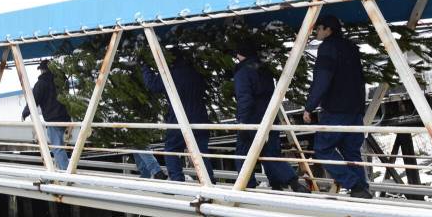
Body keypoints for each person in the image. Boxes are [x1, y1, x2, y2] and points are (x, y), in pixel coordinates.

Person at [303, 14, 372, 198]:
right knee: (351, 151)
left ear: (328, 30)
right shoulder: (350, 47)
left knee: (323, 149)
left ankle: (354, 184)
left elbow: (322, 80)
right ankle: (362, 190)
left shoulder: (327, 48)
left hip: (336, 109)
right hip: (355, 108)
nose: (316, 31)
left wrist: (310, 106)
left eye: (319, 28)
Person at [231, 40, 308, 193]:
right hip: (269, 115)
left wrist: (242, 122)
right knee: (271, 153)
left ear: (240, 54)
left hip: (252, 118)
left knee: (243, 153)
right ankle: (286, 182)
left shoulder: (242, 72)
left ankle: (246, 185)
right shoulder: (264, 69)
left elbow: (244, 98)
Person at [141, 51, 215, 183]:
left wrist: (145, 67)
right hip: (200, 118)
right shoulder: (196, 73)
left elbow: (153, 85)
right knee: (200, 153)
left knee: (172, 149)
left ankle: (177, 180)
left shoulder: (171, 74)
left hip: (179, 119)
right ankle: (208, 181)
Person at [21, 61, 71, 170]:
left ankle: (66, 173)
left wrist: (25, 112)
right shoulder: (61, 81)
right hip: (66, 117)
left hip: (53, 119)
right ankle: (60, 169)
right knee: (60, 146)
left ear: (43, 70)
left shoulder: (42, 83)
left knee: (57, 147)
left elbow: (34, 100)